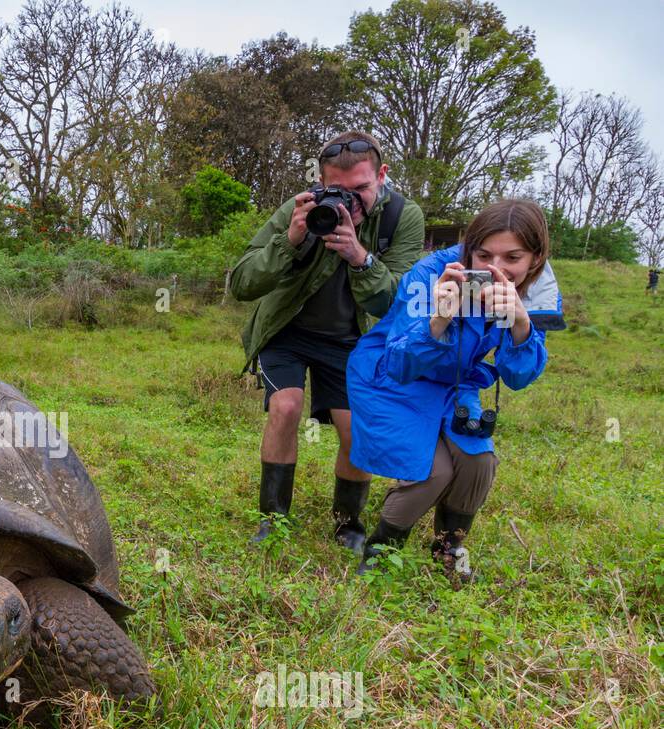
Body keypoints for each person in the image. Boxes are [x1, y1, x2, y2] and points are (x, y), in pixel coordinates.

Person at [346, 199, 563, 581]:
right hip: (393, 379)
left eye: (512, 257)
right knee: (431, 471)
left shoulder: (536, 289)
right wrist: (439, 318)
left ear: (536, 257)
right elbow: (399, 363)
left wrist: (520, 323)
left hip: (455, 382)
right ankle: (380, 549)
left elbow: (517, 376)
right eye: (484, 254)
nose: (496, 268)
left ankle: (449, 550)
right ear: (468, 248)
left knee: (478, 461)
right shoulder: (432, 273)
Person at [231, 131, 425, 553]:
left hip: (354, 340)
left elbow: (397, 301)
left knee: (355, 431)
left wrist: (360, 258)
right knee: (285, 407)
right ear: (321, 182)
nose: (349, 202)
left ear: (382, 175)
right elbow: (242, 283)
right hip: (288, 330)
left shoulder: (402, 218)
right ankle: (273, 520)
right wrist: (290, 242)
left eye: (361, 189)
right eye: (338, 190)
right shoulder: (299, 209)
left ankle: (348, 524)